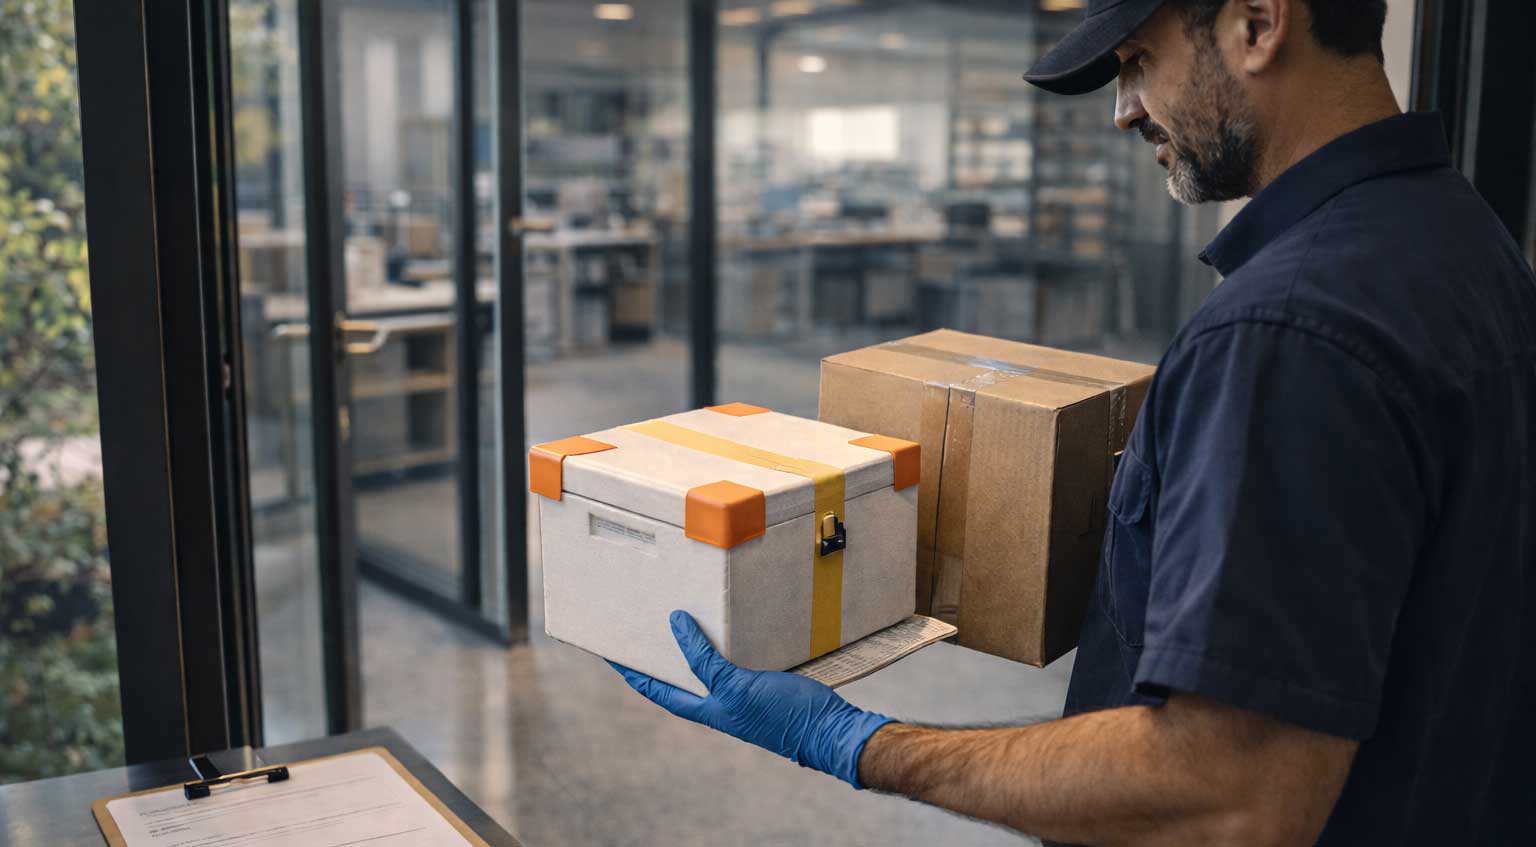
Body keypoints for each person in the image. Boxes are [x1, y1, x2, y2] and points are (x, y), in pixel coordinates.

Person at [612, 0, 1536, 843]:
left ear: (1258, 23)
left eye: (1138, 60)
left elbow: (1227, 794)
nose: (1124, 110)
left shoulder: (1284, 331)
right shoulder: (1464, 241)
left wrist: (855, 741)